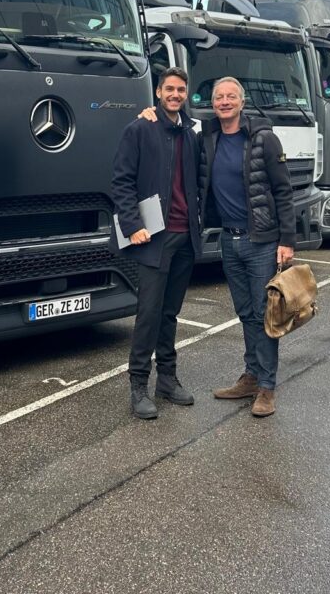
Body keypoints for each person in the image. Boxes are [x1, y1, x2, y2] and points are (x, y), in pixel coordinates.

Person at [201, 77, 295, 417]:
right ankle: (251, 376)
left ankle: (267, 387)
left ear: (242, 102)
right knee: (245, 314)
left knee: (264, 315)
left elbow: (284, 191)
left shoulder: (263, 139)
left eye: (231, 97)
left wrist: (287, 240)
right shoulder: (208, 137)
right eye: (219, 97)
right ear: (213, 103)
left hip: (261, 242)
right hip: (229, 239)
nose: (224, 102)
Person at [111, 67, 202, 419]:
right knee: (148, 314)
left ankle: (167, 378)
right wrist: (132, 225)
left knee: (170, 313)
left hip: (185, 237)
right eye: (169, 89)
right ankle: (138, 386)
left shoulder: (191, 133)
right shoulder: (140, 129)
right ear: (159, 92)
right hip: (153, 238)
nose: (175, 94)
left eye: (181, 90)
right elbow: (121, 181)